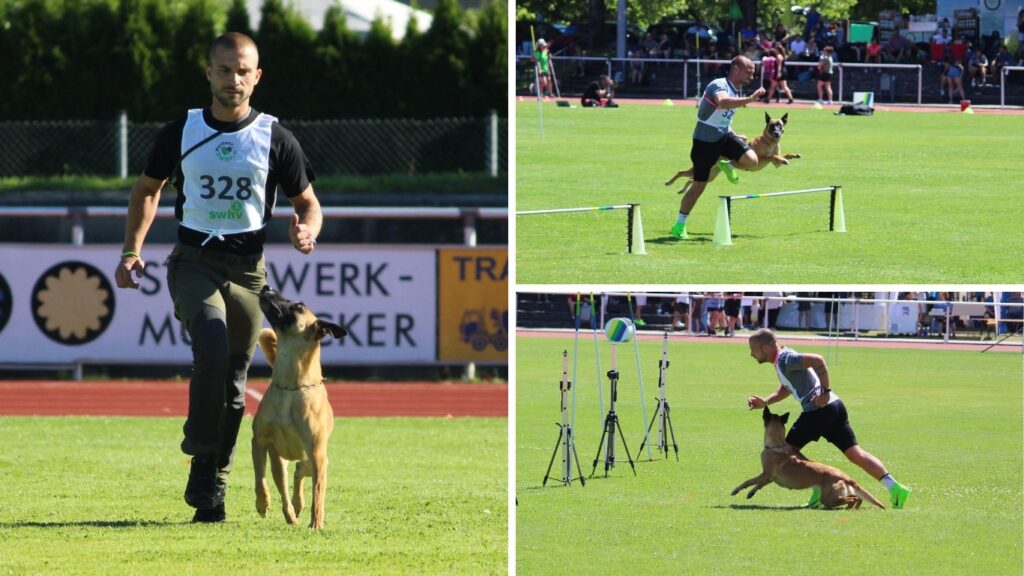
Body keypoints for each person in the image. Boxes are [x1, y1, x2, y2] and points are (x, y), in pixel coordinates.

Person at [113, 32, 322, 524]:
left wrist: (307, 230)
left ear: (257, 76)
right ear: (209, 73)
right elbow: (147, 189)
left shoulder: (276, 137)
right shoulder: (181, 130)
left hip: (249, 272)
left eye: (243, 70)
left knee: (233, 378)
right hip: (193, 261)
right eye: (224, 70)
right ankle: (202, 457)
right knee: (209, 343)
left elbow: (308, 202)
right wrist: (131, 251)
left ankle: (215, 485)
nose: (233, 80)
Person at [745, 328, 912, 508]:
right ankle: (895, 487)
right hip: (835, 406)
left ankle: (819, 489)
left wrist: (824, 392)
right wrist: (766, 402)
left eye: (753, 349)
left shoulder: (785, 359)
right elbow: (786, 387)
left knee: (787, 450)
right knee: (855, 454)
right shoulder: (782, 360)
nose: (751, 354)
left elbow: (818, 360)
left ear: (766, 348)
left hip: (818, 409)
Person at [670, 55, 765, 240]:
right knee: (698, 187)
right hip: (704, 142)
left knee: (753, 161)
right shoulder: (719, 85)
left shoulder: (735, 91)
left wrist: (734, 133)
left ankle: (726, 163)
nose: (751, 77)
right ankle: (679, 225)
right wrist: (750, 99)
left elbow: (724, 118)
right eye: (749, 72)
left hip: (724, 135)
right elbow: (722, 102)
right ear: (736, 68)